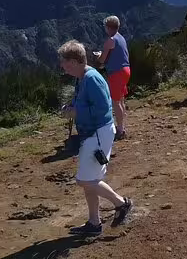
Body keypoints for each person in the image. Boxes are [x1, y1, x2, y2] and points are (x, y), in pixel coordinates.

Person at [59, 40, 133, 236]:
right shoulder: (83, 77)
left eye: (65, 64)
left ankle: (121, 203)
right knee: (90, 178)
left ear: (75, 62)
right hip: (93, 133)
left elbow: (102, 108)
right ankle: (94, 222)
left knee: (85, 180)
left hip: (97, 133)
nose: (63, 68)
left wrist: (76, 112)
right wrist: (72, 108)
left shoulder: (91, 79)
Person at [93, 16, 131, 141]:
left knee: (115, 102)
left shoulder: (110, 40)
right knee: (121, 100)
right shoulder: (121, 38)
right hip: (126, 70)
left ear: (108, 27)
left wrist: (98, 55)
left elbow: (102, 60)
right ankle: (122, 126)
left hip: (116, 72)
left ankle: (120, 130)